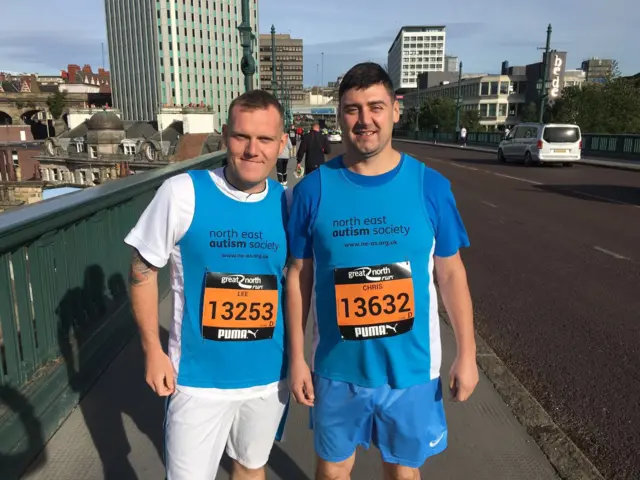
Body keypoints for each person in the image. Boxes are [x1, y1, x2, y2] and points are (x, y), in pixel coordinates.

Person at [286, 62, 479, 480]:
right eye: (352, 109)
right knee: (334, 471)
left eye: (375, 106)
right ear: (339, 115)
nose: (364, 120)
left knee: (402, 473)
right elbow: (298, 275)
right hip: (337, 368)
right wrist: (297, 358)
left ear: (395, 109)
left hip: (410, 369)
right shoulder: (312, 191)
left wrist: (468, 354)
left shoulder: (431, 187)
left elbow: (450, 274)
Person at [125, 89, 291, 480]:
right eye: (241, 137)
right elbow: (142, 271)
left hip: (268, 378)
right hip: (198, 382)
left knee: (251, 469)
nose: (252, 150)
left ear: (282, 144)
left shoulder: (289, 204)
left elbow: (299, 286)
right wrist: (152, 349)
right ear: (224, 136)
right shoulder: (182, 193)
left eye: (265, 139)